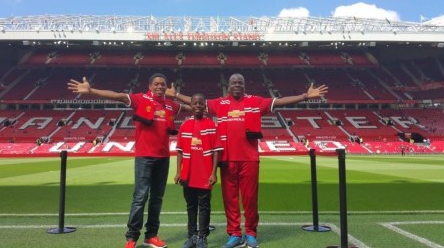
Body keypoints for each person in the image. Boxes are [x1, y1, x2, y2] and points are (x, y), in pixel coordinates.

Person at [167, 73, 328, 248]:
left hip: (249, 159)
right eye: (234, 82)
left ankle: (251, 233)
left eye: (240, 83)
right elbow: (195, 102)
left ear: (244, 86)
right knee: (230, 199)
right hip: (227, 159)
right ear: (228, 86)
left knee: (250, 199)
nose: (237, 85)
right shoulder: (219, 103)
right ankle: (235, 234)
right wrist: (175, 95)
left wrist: (305, 96)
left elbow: (280, 101)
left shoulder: (256, 102)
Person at [68, 73, 189, 248]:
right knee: (140, 198)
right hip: (144, 157)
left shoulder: (171, 105)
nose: (160, 87)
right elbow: (117, 95)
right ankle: (131, 238)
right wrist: (91, 90)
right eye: (156, 84)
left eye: (163, 84)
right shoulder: (140, 99)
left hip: (163, 158)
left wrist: (177, 95)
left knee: (157, 198)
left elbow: (195, 107)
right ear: (150, 86)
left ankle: (151, 236)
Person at [174, 93, 222, 248]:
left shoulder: (211, 126)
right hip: (187, 174)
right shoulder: (184, 126)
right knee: (191, 206)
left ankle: (202, 237)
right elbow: (180, 151)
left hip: (204, 175)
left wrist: (214, 173)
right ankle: (192, 236)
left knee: (204, 206)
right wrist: (178, 172)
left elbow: (216, 151)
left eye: (201, 103)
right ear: (191, 106)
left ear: (204, 106)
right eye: (195, 103)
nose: (198, 106)